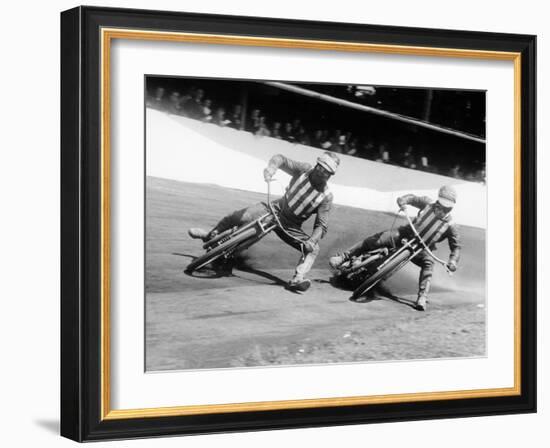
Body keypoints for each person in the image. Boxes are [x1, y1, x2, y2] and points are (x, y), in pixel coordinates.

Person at [188, 152, 341, 292]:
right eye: (322, 169)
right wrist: (271, 168)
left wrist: (312, 240)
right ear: (317, 165)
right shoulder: (304, 169)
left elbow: (321, 225)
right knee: (240, 217)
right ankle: (210, 235)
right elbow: (280, 159)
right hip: (274, 208)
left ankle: (298, 278)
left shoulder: (326, 196)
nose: (323, 174)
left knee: (313, 249)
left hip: (291, 227)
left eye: (328, 172)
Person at [329, 185, 461, 310]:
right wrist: (403, 201)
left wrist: (453, 261)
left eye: (446, 208)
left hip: (423, 248)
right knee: (377, 240)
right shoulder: (427, 203)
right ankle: (343, 257)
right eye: (441, 205)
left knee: (429, 264)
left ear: (451, 208)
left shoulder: (451, 225)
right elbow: (412, 198)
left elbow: (456, 247)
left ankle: (422, 297)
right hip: (406, 233)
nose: (442, 209)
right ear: (437, 200)